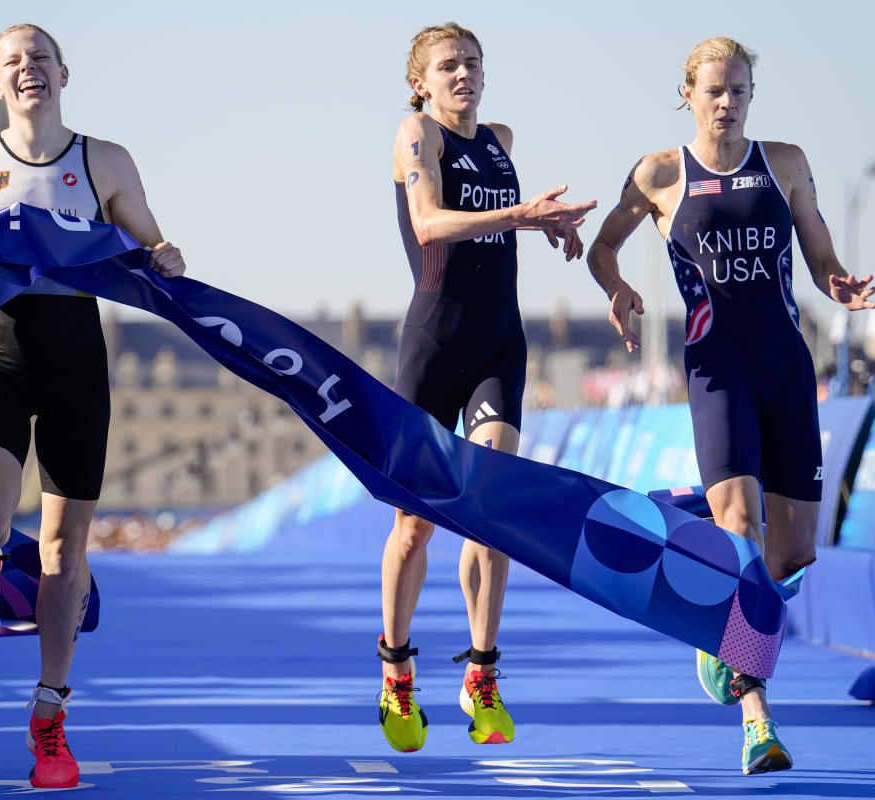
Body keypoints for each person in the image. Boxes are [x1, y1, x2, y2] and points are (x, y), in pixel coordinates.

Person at [0, 23, 185, 789]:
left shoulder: (105, 161)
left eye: (41, 59)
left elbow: (152, 247)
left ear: (64, 73)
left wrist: (167, 256)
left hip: (76, 363)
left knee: (63, 553)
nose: (30, 70)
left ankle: (50, 718)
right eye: (13, 62)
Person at [587, 36, 875, 775]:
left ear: (752, 94)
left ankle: (716, 608)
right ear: (688, 93)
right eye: (714, 91)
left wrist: (838, 280)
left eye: (740, 90)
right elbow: (601, 249)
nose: (727, 102)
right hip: (715, 371)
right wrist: (617, 289)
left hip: (784, 367)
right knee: (742, 528)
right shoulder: (658, 174)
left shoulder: (785, 162)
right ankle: (757, 721)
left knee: (793, 551)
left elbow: (818, 254)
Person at [379, 22, 596, 753]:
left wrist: (546, 228)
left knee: (491, 508)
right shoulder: (417, 134)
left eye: (472, 62)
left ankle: (481, 671)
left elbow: (502, 225)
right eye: (448, 66)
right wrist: (522, 214)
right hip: (434, 347)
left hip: (500, 344)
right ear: (422, 81)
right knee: (415, 526)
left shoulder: (498, 137)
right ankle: (398, 670)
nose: (463, 73)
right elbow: (429, 222)